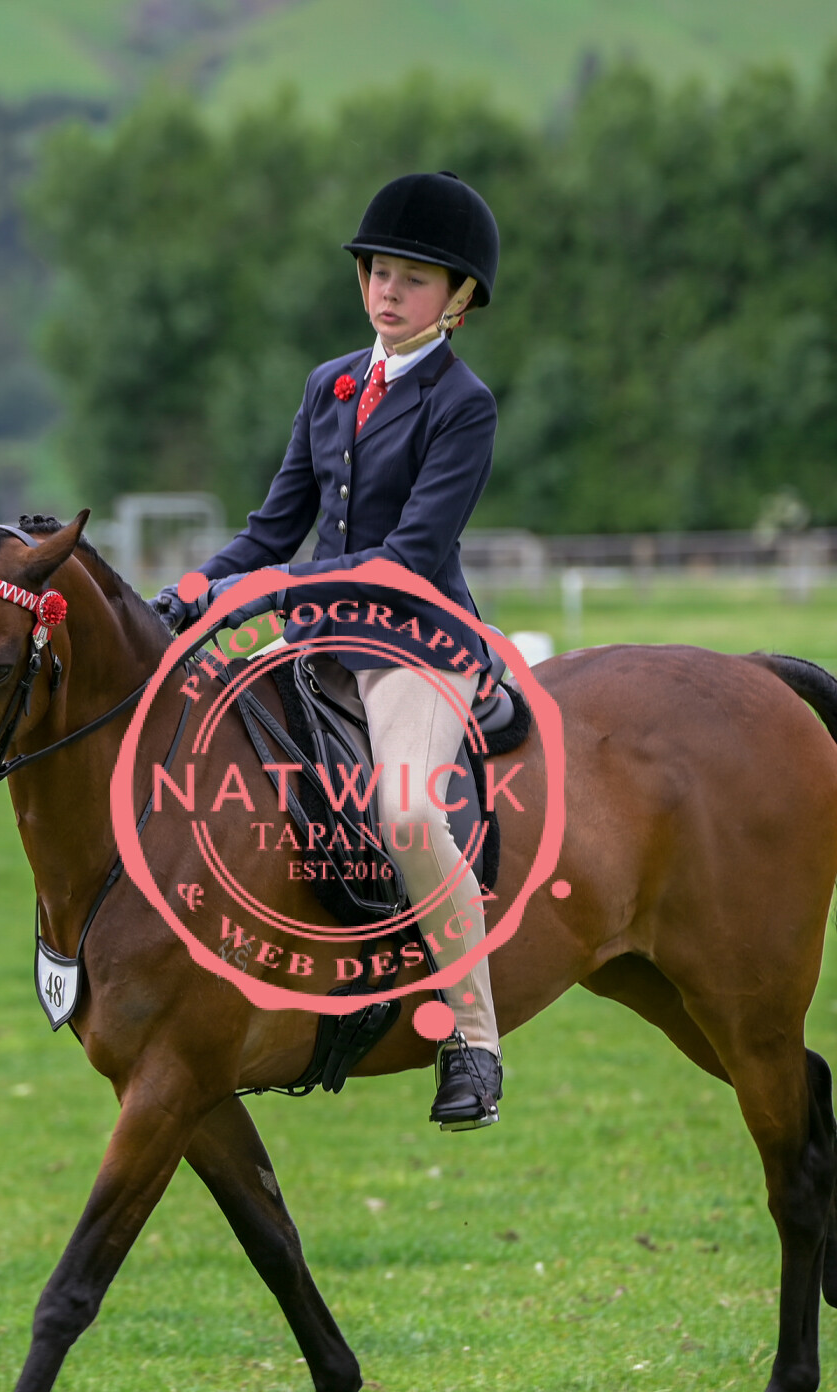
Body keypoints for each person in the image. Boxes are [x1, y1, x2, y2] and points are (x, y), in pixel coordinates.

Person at [156, 170, 507, 1132]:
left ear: (459, 298)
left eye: (415, 279)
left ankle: (473, 1041)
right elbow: (274, 528)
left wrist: (270, 592)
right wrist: (192, 589)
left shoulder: (463, 403)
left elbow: (408, 557)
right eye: (379, 273)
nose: (389, 291)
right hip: (315, 645)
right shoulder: (331, 384)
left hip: (415, 646)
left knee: (405, 812)